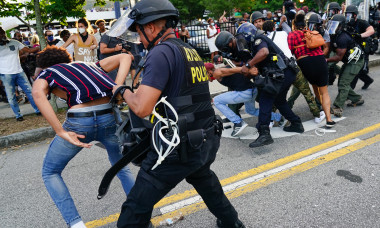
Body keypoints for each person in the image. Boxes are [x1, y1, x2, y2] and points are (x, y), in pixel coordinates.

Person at [110, 0, 245, 227]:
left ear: (151, 27)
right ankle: (232, 223)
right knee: (205, 181)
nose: (140, 40)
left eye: (140, 33)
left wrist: (121, 91)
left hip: (176, 146)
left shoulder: (160, 53)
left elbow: (142, 107)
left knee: (134, 210)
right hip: (205, 137)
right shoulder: (188, 49)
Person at [32, 46, 135, 228]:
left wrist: (60, 131)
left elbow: (37, 93)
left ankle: (76, 225)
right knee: (121, 167)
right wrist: (116, 90)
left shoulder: (47, 73)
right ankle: (139, 215)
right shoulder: (89, 65)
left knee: (51, 172)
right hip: (108, 116)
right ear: (68, 58)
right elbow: (125, 58)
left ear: (43, 66)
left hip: (80, 122)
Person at [216, 24, 304, 149]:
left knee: (265, 99)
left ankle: (264, 134)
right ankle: (296, 123)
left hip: (282, 73)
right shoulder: (250, 44)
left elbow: (264, 52)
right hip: (284, 73)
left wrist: (248, 65)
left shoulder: (259, 39)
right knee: (279, 101)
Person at [262, 20, 325, 124]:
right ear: (274, 27)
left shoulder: (265, 40)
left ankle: (271, 119)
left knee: (277, 95)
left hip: (279, 72)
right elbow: (288, 31)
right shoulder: (282, 33)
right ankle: (317, 115)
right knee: (307, 92)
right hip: (293, 67)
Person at [287, 14, 335, 128]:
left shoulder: (292, 35)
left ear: (294, 25)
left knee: (315, 88)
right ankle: (329, 119)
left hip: (305, 63)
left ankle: (320, 111)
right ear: (305, 24)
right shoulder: (311, 31)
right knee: (324, 92)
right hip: (320, 60)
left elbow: (289, 52)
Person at [326, 14, 365, 117]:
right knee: (343, 83)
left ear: (341, 26)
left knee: (343, 83)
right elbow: (329, 49)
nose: (333, 27)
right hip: (349, 60)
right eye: (332, 24)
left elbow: (338, 57)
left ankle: (338, 107)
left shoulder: (342, 37)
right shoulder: (334, 35)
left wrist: (326, 60)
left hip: (356, 61)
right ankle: (357, 99)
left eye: (336, 25)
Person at [0, 26, 40, 121]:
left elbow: (29, 50)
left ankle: (38, 110)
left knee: (30, 92)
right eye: (0, 34)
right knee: (11, 97)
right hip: (6, 75)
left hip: (19, 72)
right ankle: (18, 115)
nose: (2, 35)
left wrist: (40, 46)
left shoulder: (15, 42)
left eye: (3, 33)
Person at [345, 5, 376, 90]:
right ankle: (368, 80)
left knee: (357, 70)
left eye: (349, 14)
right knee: (358, 70)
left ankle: (350, 92)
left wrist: (360, 35)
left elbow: (371, 30)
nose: (347, 16)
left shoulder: (361, 22)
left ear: (354, 15)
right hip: (352, 50)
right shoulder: (346, 23)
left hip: (362, 49)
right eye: (346, 14)